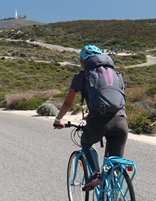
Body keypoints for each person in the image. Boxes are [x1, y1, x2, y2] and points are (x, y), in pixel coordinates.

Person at [53, 45, 129, 190]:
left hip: (98, 122)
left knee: (86, 143)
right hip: (121, 122)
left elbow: (68, 103)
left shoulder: (81, 76)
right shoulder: (116, 75)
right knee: (116, 164)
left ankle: (95, 174)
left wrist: (58, 120)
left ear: (82, 61)